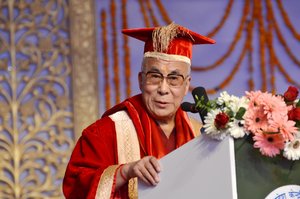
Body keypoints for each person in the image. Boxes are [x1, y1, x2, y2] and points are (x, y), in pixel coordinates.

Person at [62, 22, 215, 199]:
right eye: (155, 76)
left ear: (187, 85)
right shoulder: (106, 132)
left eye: (174, 78)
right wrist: (125, 172)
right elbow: (76, 186)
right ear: (141, 80)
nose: (163, 89)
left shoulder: (199, 135)